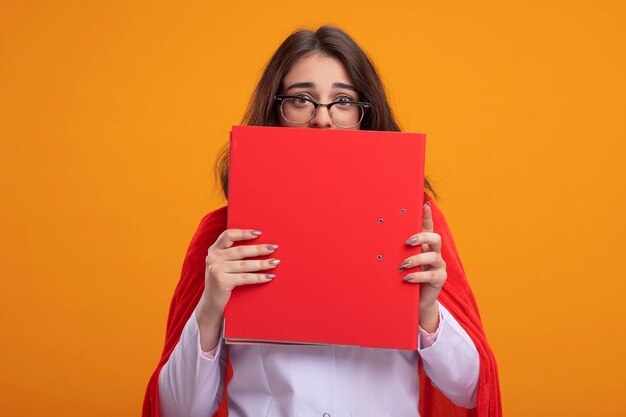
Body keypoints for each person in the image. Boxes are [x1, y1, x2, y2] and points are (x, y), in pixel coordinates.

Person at [143, 25, 502, 417]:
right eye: (301, 98)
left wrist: (428, 313)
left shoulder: (416, 224)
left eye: (343, 100)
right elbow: (177, 410)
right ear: (274, 112)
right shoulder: (225, 237)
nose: (322, 119)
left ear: (365, 115)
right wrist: (210, 309)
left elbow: (471, 391)